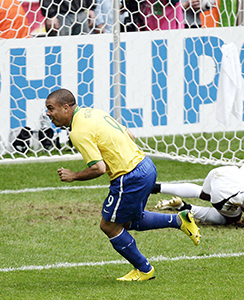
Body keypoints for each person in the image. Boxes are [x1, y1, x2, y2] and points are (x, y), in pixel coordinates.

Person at [45, 88, 201, 281]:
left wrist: (73, 175)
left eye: (51, 108)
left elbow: (98, 168)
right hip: (146, 165)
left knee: (109, 225)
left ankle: (144, 270)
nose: (48, 114)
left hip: (129, 177)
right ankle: (179, 220)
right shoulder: (94, 112)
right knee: (127, 221)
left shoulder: (78, 132)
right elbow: (131, 135)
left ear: (66, 107)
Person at [152, 165, 244, 228]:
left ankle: (156, 187)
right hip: (230, 192)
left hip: (225, 171)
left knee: (202, 193)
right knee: (232, 219)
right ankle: (184, 207)